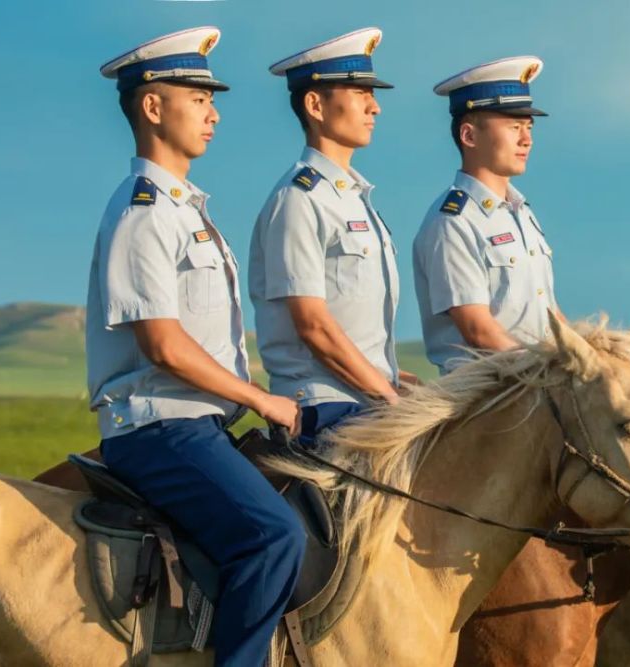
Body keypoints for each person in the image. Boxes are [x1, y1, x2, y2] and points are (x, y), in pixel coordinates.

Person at [88, 27, 304, 666]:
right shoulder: (145, 211)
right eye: (197, 96)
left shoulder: (188, 210)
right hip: (158, 429)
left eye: (213, 99)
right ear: (153, 108)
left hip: (198, 425)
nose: (214, 112)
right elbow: (163, 345)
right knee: (273, 538)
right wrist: (261, 399)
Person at [250, 28, 416, 443]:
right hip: (325, 407)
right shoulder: (299, 199)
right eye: (360, 94)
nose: (374, 107)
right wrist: (389, 398)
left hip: (366, 400)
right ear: (315, 104)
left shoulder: (354, 199)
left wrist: (401, 386)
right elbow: (313, 325)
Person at [412, 56, 560, 373]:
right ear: (469, 136)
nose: (527, 139)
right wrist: (550, 371)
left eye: (529, 127)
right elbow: (477, 329)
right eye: (514, 126)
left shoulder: (522, 214)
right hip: (487, 400)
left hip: (537, 392)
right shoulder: (453, 221)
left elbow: (550, 315)